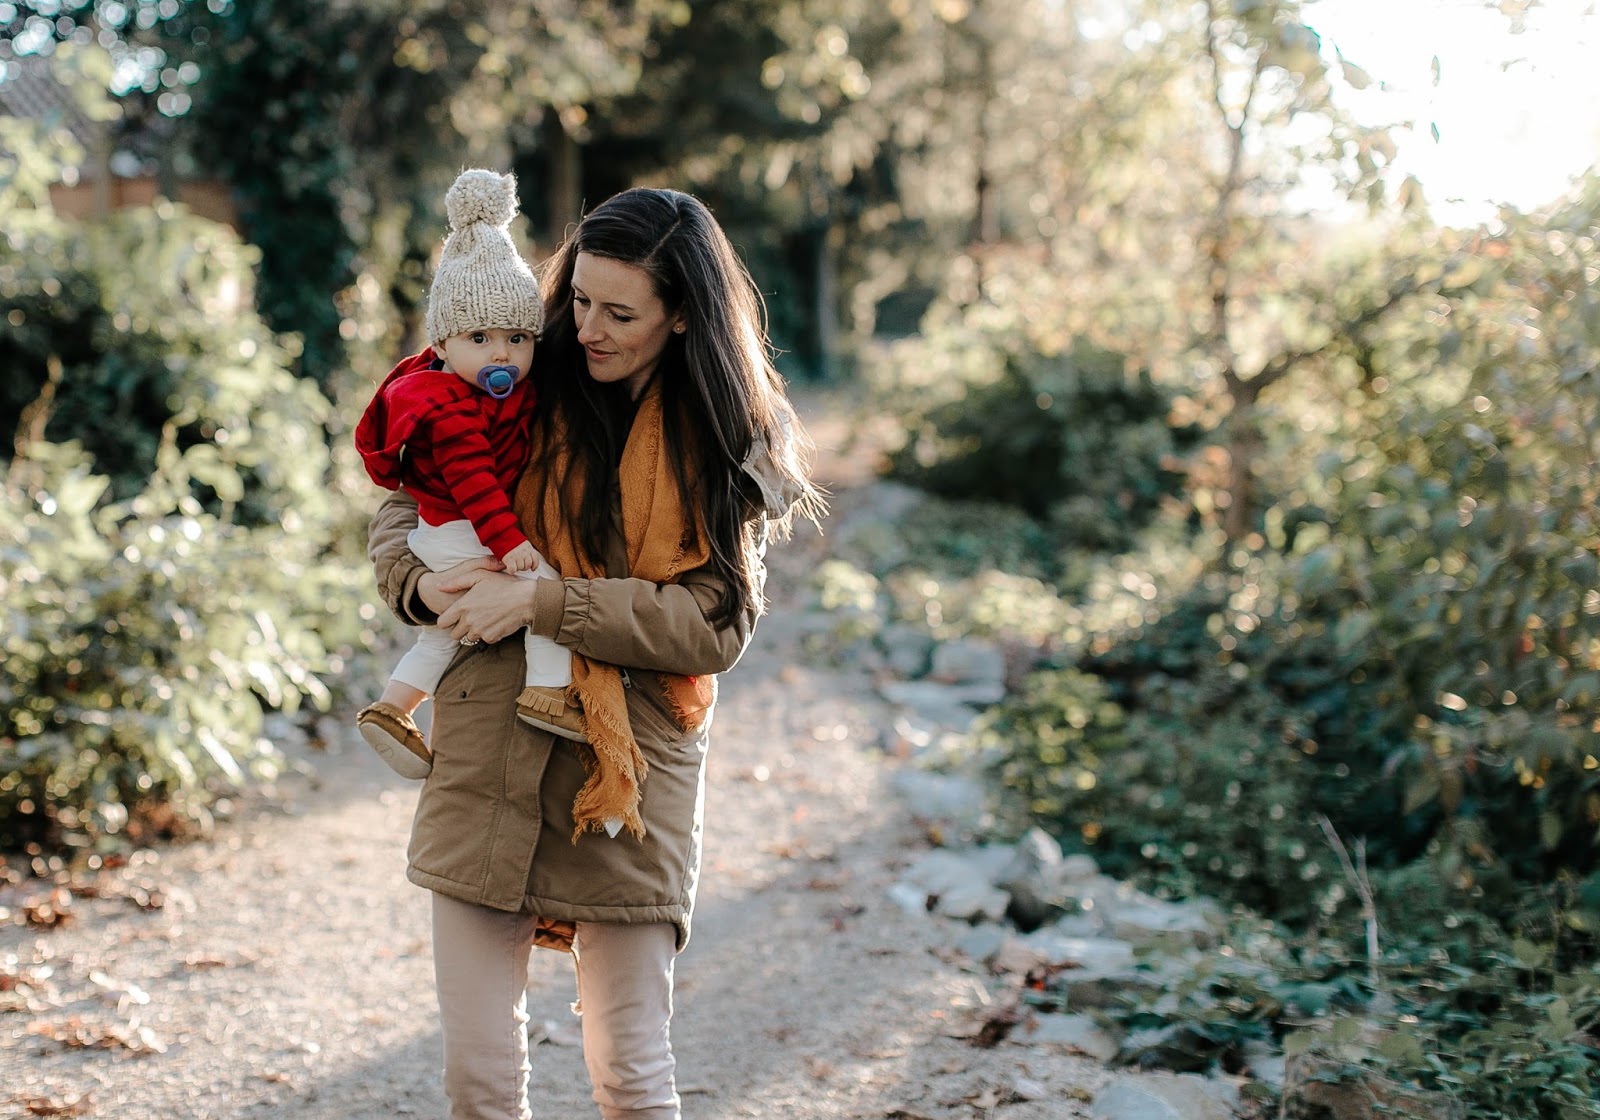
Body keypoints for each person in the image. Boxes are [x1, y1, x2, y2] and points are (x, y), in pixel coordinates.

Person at [366, 185, 825, 1120]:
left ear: (682, 315)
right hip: (489, 751)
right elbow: (407, 506)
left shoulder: (728, 436)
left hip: (628, 777)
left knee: (631, 1074)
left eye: (620, 313)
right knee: (478, 1080)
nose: (586, 329)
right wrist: (420, 584)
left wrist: (543, 601)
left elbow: (713, 626)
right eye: (578, 299)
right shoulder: (511, 367)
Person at [354, 169, 587, 783]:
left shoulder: (493, 391)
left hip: (446, 534)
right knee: (544, 589)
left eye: (517, 338)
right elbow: (475, 483)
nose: (502, 353)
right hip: (464, 529)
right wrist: (510, 545)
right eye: (479, 338)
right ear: (442, 345)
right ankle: (548, 692)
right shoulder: (449, 409)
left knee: (445, 633)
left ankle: (393, 710)